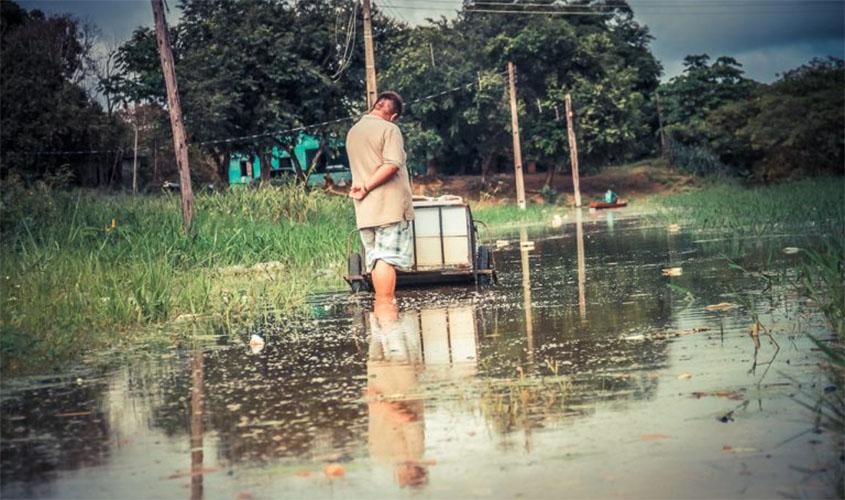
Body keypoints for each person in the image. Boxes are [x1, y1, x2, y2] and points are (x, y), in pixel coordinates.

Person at [346, 91, 415, 299]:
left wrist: (363, 190)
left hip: (365, 209)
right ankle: (385, 307)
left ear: (375, 105)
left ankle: (380, 310)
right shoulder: (390, 129)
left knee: (376, 258)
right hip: (388, 207)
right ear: (393, 116)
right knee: (387, 259)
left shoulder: (354, 131)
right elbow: (392, 165)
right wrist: (367, 187)